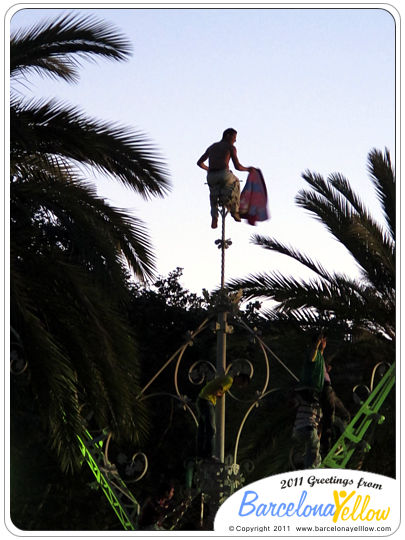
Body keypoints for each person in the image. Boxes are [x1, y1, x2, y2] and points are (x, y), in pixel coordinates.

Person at [197, 128, 254, 229]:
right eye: (234, 137)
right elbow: (237, 167)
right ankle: (234, 210)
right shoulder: (230, 147)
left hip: (211, 176)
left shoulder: (212, 147)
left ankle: (214, 217)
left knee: (213, 194)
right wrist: (248, 169)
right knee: (236, 182)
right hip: (224, 174)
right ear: (228, 135)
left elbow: (199, 163)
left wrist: (209, 169)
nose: (235, 140)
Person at [196, 372, 250, 459]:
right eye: (242, 384)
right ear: (240, 378)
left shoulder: (227, 378)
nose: (240, 386)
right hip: (207, 401)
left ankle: (200, 455)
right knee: (211, 430)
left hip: (201, 399)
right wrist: (220, 394)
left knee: (202, 430)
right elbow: (217, 392)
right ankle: (209, 456)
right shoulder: (229, 381)